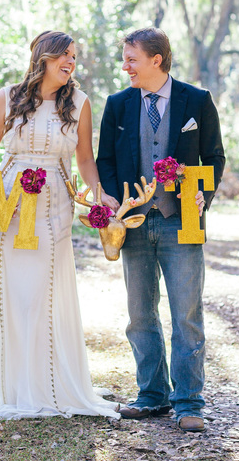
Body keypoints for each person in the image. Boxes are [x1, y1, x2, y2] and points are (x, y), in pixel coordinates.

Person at [0, 30, 119, 420]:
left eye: (74, 56)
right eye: (63, 55)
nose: (70, 62)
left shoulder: (80, 103)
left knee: (43, 294)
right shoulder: (7, 97)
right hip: (11, 203)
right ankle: (12, 386)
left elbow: (85, 159)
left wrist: (98, 193)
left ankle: (50, 384)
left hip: (54, 204)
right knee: (11, 294)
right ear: (43, 57)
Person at [96, 27, 226, 432]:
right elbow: (105, 162)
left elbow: (214, 157)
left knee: (186, 313)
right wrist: (112, 200)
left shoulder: (197, 101)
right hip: (133, 222)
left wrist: (203, 191)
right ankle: (151, 396)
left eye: (132, 59)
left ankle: (189, 402)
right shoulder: (117, 104)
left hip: (180, 220)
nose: (125, 66)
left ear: (157, 59)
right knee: (139, 314)